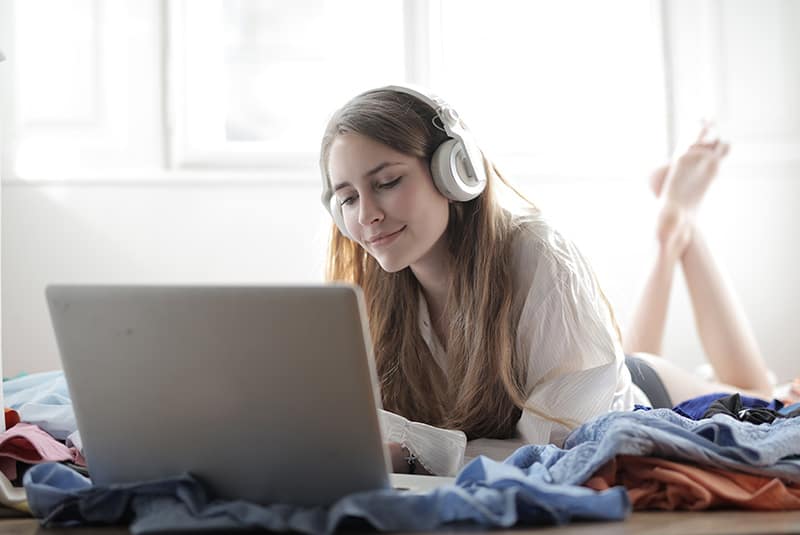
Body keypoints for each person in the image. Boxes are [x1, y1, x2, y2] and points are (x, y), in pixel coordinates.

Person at [317, 85, 786, 477]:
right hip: (589, 372)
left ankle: (675, 227)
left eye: (387, 182)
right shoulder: (371, 285)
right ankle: (673, 227)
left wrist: (418, 455)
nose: (368, 215)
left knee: (764, 395)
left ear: (454, 171)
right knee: (635, 353)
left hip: (631, 402)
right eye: (349, 198)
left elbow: (566, 445)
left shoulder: (537, 254)